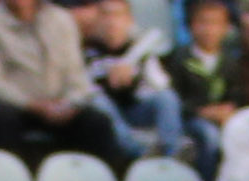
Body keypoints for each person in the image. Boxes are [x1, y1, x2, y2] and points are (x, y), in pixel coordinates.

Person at [0, 0, 126, 156]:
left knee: (97, 123)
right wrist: (32, 105)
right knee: (1, 116)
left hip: (58, 105)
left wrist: (70, 103)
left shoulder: (61, 19)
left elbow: (76, 75)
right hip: (15, 105)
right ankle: (10, 175)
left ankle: (95, 176)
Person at [83, 0, 195, 162]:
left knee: (167, 98)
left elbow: (162, 86)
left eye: (118, 16)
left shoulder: (141, 49)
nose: (112, 22)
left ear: (129, 20)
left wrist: (132, 76)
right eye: (106, 15)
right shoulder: (89, 50)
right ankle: (138, 150)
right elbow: (83, 90)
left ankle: (172, 151)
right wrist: (108, 79)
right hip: (107, 117)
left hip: (136, 110)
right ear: (98, 19)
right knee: (99, 103)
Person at [180, 0, 249, 176]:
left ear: (226, 29)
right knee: (209, 136)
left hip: (223, 118)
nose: (209, 29)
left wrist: (229, 109)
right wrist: (201, 111)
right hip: (191, 120)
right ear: (192, 26)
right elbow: (175, 98)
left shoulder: (231, 63)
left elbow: (237, 94)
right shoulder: (179, 59)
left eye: (215, 24)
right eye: (203, 23)